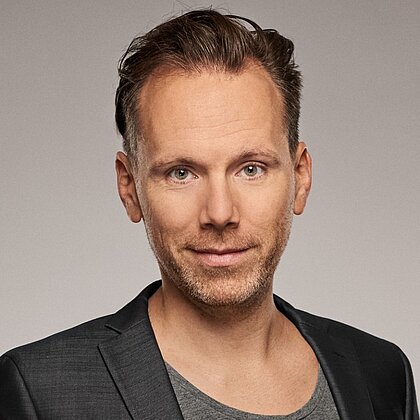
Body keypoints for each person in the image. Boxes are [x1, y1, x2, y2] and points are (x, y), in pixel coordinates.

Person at [0, 9, 418, 420]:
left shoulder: (380, 373)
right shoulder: (42, 389)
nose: (220, 212)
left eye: (251, 169)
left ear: (300, 177)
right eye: (181, 173)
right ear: (129, 188)